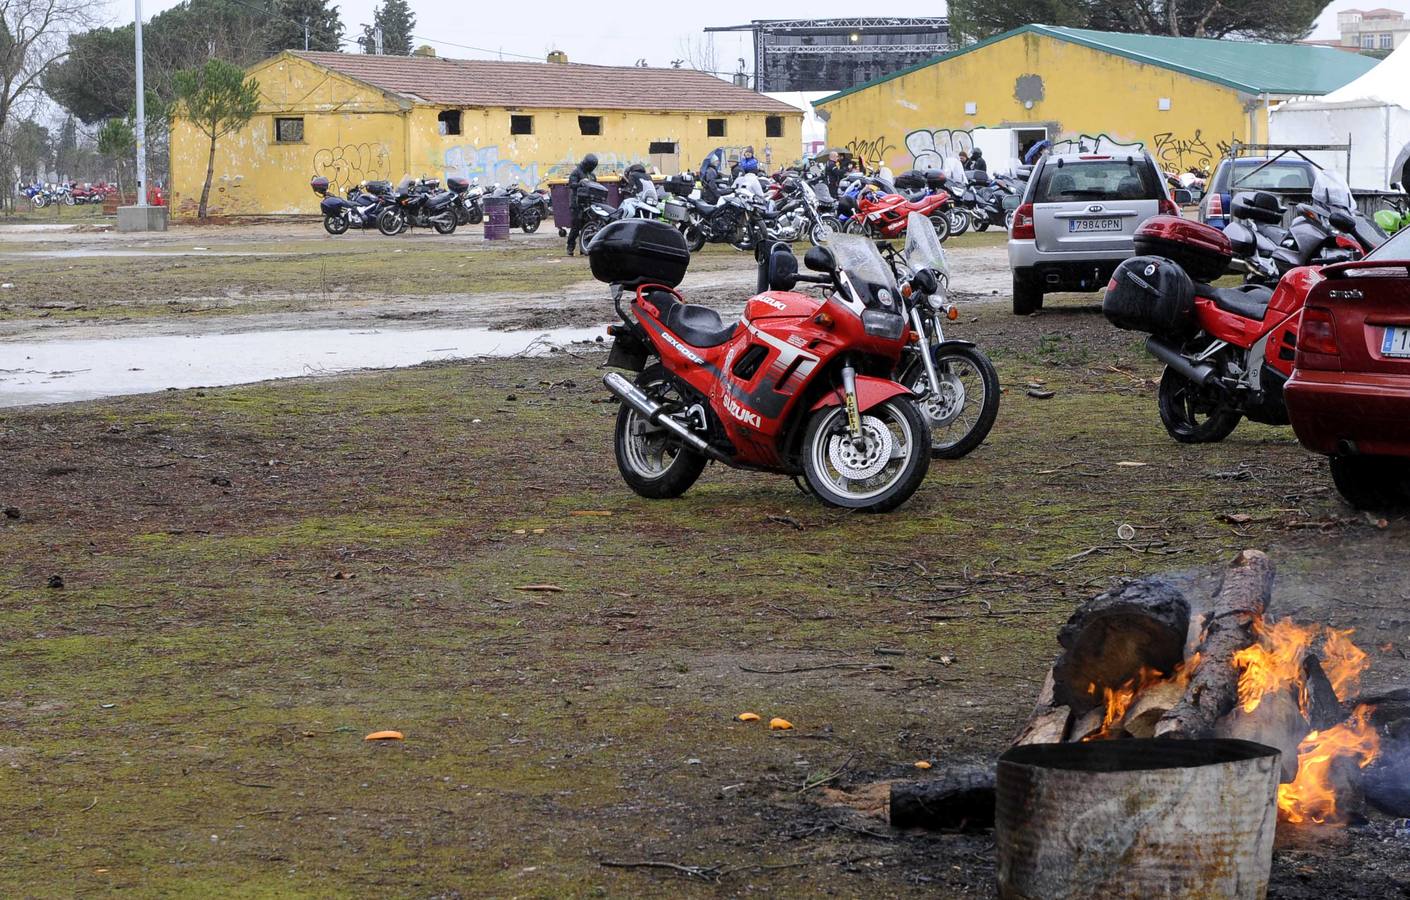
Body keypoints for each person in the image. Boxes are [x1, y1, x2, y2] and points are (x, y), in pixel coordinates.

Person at [566, 153, 598, 256]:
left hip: (588, 204)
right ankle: (570, 247)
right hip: (577, 203)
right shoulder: (576, 172)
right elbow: (571, 185)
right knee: (576, 226)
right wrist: (580, 183)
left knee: (587, 226)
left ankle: (583, 248)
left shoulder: (592, 175)